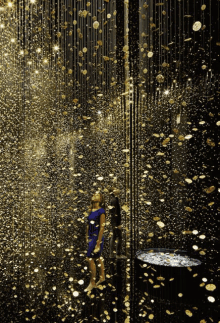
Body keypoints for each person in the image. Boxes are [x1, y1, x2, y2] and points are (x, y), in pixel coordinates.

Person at [84, 191, 106, 292]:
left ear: (100, 199)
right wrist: (86, 235)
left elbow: (102, 227)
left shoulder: (101, 211)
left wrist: (98, 242)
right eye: (94, 194)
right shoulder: (91, 210)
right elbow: (88, 224)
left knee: (89, 258)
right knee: (97, 257)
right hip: (91, 236)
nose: (94, 195)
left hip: (97, 236)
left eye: (97, 195)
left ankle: (92, 282)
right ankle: (102, 277)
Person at [109, 187, 127, 259]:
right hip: (115, 222)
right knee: (119, 237)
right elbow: (115, 213)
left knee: (114, 237)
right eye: (115, 189)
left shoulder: (114, 199)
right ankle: (118, 254)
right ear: (113, 192)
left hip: (114, 222)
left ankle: (112, 254)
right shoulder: (114, 200)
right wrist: (118, 224)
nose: (118, 189)